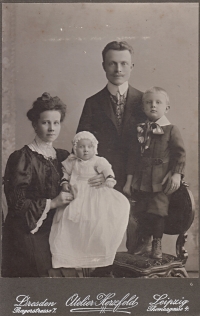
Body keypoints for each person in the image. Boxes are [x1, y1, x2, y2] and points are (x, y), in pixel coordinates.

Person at [2, 92, 75, 277]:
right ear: (35, 124)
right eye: (45, 122)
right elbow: (17, 204)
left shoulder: (63, 156)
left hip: (57, 227)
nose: (52, 128)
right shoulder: (21, 158)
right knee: (43, 275)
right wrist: (53, 203)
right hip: (27, 232)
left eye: (56, 123)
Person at [49, 131, 130, 276]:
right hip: (77, 196)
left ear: (95, 148)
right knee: (70, 223)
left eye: (89, 147)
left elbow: (107, 171)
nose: (86, 150)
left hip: (94, 194)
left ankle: (97, 259)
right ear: (75, 147)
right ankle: (75, 256)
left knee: (97, 223)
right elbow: (65, 174)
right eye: (81, 147)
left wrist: (109, 179)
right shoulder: (71, 161)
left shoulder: (98, 161)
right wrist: (64, 183)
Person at [123, 87, 186, 259]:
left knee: (157, 212)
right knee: (141, 212)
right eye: (149, 102)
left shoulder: (171, 129)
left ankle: (157, 243)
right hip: (141, 181)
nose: (153, 106)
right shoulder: (140, 130)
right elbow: (132, 158)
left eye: (158, 102)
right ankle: (144, 242)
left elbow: (180, 154)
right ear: (143, 107)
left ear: (167, 108)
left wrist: (176, 174)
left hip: (160, 182)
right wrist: (129, 182)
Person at [76, 41, 146, 193]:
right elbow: (80, 145)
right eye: (112, 64)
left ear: (132, 66)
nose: (118, 69)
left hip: (139, 181)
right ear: (104, 66)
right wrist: (95, 172)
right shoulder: (92, 103)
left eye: (124, 64)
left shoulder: (145, 101)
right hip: (102, 181)